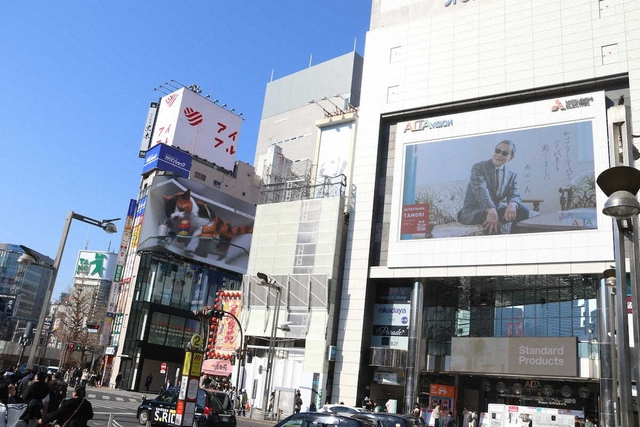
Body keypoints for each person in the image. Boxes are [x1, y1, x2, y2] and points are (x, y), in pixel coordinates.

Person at [457, 140, 529, 234]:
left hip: (496, 208)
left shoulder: (511, 175)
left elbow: (514, 193)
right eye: (497, 151)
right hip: (474, 211)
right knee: (490, 218)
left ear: (511, 157)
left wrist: (512, 205)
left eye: (504, 153)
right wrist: (491, 210)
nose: (499, 155)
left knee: (524, 211)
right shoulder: (479, 167)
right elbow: (480, 190)